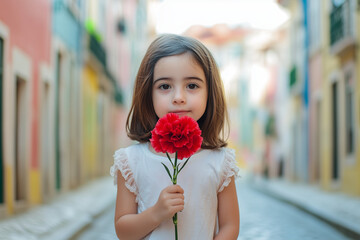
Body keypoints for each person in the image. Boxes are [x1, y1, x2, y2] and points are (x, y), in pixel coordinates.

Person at [110, 34, 240, 240]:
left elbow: (230, 226)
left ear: (210, 93)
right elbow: (123, 231)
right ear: (148, 93)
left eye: (192, 86)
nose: (179, 97)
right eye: (164, 86)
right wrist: (156, 213)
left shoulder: (220, 162)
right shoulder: (131, 162)